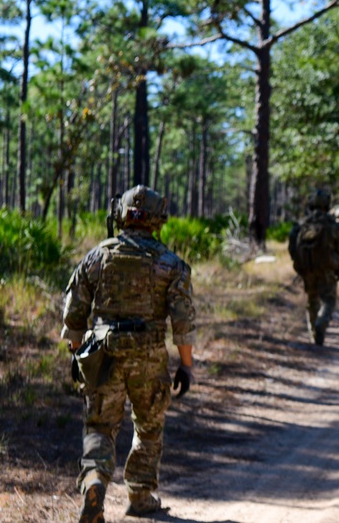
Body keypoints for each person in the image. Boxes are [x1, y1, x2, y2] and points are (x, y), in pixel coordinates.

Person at [62, 185, 196, 523]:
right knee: (149, 426)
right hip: (148, 356)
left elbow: (74, 312)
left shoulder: (97, 255)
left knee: (99, 426)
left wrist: (78, 354)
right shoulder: (171, 263)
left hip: (103, 354)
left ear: (120, 215)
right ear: (158, 219)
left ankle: (95, 479)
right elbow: (183, 322)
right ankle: (140, 493)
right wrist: (187, 366)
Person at [288, 189, 339, 346]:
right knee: (328, 300)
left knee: (312, 300)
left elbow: (292, 247)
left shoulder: (302, 224)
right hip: (327, 268)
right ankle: (321, 322)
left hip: (307, 269)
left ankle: (315, 336)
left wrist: (302, 263)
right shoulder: (331, 224)